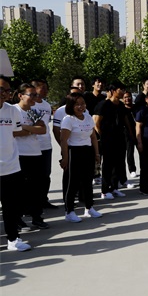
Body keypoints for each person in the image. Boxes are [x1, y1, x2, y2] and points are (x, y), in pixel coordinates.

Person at [60, 92, 102, 222]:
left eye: (83, 103)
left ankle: (89, 208)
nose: (80, 107)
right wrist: (65, 158)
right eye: (77, 104)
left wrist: (96, 153)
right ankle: (69, 211)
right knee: (72, 183)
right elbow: (63, 141)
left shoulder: (88, 117)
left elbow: (93, 137)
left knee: (87, 182)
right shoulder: (68, 120)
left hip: (87, 151)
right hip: (74, 152)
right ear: (71, 106)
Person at [1, 77, 32, 251]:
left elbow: (15, 132)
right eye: (1, 90)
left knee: (11, 207)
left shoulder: (12, 111)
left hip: (11, 166)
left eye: (7, 90)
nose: (5, 93)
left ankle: (13, 239)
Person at [13, 83, 49, 230]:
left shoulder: (34, 111)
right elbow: (13, 132)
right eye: (31, 95)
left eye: (36, 94)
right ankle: (17, 219)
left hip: (35, 153)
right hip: (19, 154)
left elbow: (43, 129)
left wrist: (25, 128)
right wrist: (32, 129)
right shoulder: (13, 110)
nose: (35, 97)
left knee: (37, 188)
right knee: (20, 189)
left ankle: (37, 217)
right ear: (20, 95)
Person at [94, 83, 128, 199]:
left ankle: (114, 188)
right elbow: (96, 123)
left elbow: (125, 121)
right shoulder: (104, 105)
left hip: (120, 138)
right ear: (113, 91)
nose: (123, 92)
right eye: (120, 89)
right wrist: (103, 136)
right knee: (107, 165)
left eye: (124, 89)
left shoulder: (121, 105)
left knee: (118, 164)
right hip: (107, 139)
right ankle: (104, 190)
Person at [31, 79, 56, 209]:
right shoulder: (30, 105)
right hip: (32, 146)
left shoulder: (46, 105)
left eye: (47, 88)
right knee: (33, 177)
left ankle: (43, 199)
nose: (46, 91)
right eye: (43, 88)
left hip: (46, 145)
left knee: (46, 175)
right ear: (35, 89)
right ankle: (31, 203)